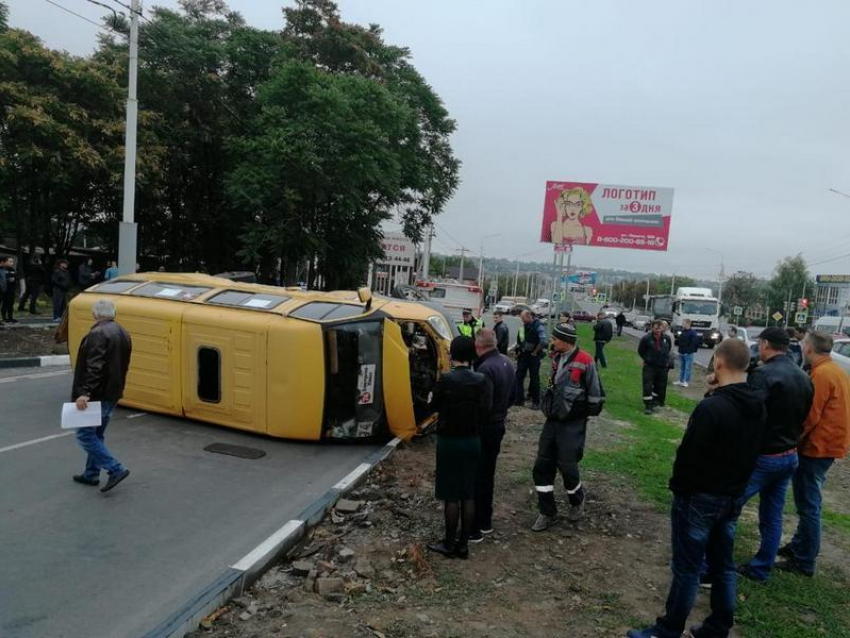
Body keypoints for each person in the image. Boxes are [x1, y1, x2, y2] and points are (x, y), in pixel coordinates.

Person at [628, 339, 766, 638]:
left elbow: (690, 456)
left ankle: (667, 630)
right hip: (732, 496)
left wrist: (679, 488)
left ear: (718, 363)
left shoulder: (712, 407)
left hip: (699, 497)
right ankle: (718, 626)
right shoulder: (757, 404)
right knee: (723, 565)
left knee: (687, 568)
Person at [735, 327, 813, 582]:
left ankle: (709, 564)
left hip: (763, 455)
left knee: (727, 507)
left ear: (767, 344)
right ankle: (761, 567)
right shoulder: (804, 376)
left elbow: (751, 415)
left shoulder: (763, 374)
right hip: (789, 454)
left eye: (760, 344)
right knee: (772, 515)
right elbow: (804, 417)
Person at [777, 331, 850, 577]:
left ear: (809, 348)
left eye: (803, 344)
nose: (801, 347)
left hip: (817, 447)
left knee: (808, 504)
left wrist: (791, 441)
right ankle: (799, 545)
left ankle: (805, 560)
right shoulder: (836, 370)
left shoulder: (820, 374)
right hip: (830, 444)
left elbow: (811, 416)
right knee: (809, 499)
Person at [532, 323, 602, 531]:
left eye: (555, 338)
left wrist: (580, 415)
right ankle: (547, 512)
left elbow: (595, 395)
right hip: (552, 421)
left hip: (572, 424)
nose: (552, 341)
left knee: (567, 465)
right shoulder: (556, 357)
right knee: (542, 466)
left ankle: (576, 501)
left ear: (565, 341)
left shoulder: (585, 361)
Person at [428, 336, 492, 559]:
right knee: (468, 493)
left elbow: (432, 405)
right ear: (472, 355)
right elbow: (487, 409)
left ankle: (448, 543)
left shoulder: (446, 380)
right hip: (472, 441)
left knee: (450, 495)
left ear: (452, 355)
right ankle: (464, 545)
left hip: (449, 442)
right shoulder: (481, 380)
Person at [71, 299, 133, 493]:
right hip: (112, 392)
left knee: (85, 435)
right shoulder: (123, 332)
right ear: (113, 313)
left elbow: (94, 367)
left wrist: (85, 393)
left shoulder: (98, 333)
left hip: (97, 393)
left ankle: (115, 469)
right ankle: (91, 474)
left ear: (95, 314)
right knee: (97, 434)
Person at [470, 329, 516, 541]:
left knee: (480, 475)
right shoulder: (506, 362)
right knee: (488, 472)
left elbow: (483, 405)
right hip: (499, 424)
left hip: (486, 428)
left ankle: (480, 521)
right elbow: (512, 396)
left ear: (479, 346)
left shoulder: (485, 368)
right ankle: (485, 519)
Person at [514, 309, 548, 409]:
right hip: (524, 354)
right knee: (519, 376)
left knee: (534, 378)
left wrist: (535, 352)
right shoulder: (525, 326)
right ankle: (519, 399)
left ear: (529, 317)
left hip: (534, 356)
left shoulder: (538, 326)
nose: (522, 320)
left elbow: (543, 341)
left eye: (523, 318)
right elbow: (520, 340)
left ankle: (536, 402)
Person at [639, 320, 673, 414]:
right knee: (647, 385)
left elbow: (668, 348)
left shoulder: (666, 338)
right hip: (650, 366)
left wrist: (664, 361)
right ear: (652, 328)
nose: (658, 330)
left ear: (662, 328)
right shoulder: (646, 338)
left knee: (660, 385)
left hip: (662, 367)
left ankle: (656, 401)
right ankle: (648, 405)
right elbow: (641, 350)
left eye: (660, 327)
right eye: (656, 328)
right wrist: (648, 359)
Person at [674, 319, 701, 388]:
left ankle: (686, 381)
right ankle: (681, 380)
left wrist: (688, 351)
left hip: (688, 353)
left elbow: (694, 343)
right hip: (682, 352)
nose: (682, 324)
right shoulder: (683, 331)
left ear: (688, 324)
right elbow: (680, 342)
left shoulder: (693, 333)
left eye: (683, 323)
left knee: (687, 368)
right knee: (682, 367)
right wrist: (679, 351)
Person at [0, 255, 17, 324]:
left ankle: (10, 317)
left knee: (10, 303)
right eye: (9, 261)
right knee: (4, 304)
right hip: (4, 290)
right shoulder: (2, 270)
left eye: (12, 261)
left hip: (10, 289)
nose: (11, 263)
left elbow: (15, 277)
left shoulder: (12, 270)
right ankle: (4, 317)